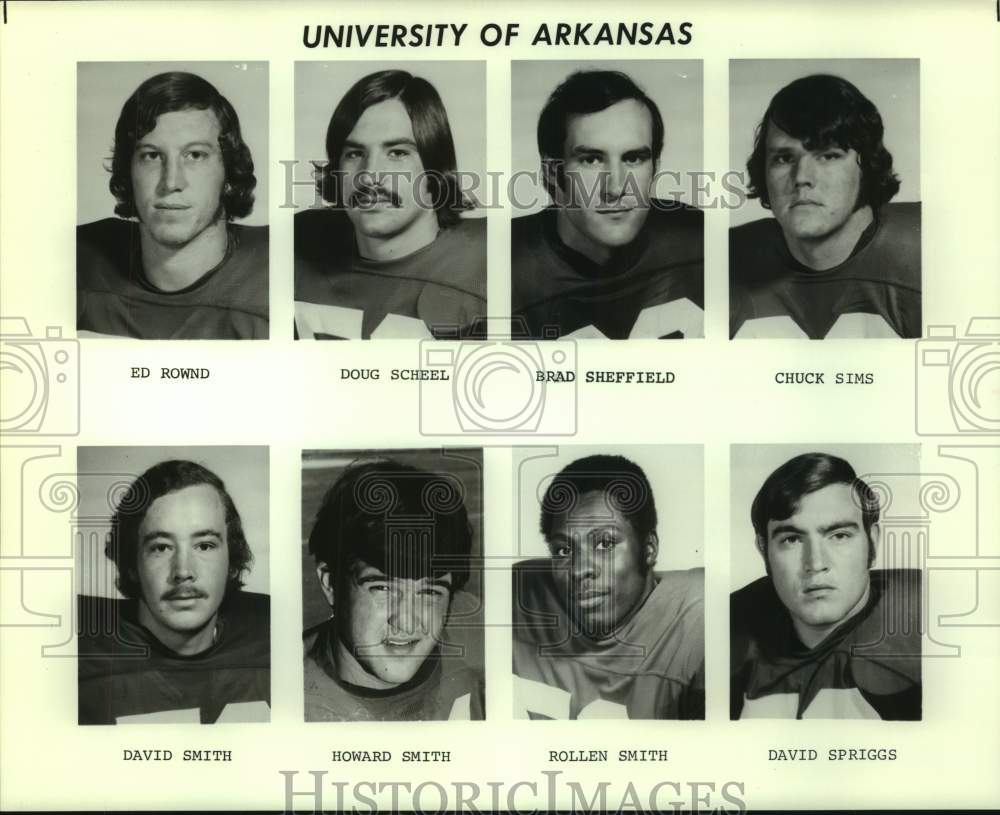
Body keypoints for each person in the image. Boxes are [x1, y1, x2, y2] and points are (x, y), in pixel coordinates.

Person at [511, 70, 704, 339]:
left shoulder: (699, 240)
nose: (615, 188)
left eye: (634, 158)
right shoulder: (500, 264)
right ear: (553, 172)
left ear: (655, 168)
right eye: (591, 160)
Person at [295, 70, 486, 339]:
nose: (370, 174)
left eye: (397, 153)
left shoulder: (488, 267)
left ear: (435, 167)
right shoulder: (297, 243)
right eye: (354, 154)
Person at [77, 71, 268, 339]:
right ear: (128, 172)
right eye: (152, 156)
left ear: (229, 173)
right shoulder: (78, 264)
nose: (171, 182)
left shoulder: (274, 276)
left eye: (195, 155)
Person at [730, 453, 922, 719]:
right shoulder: (728, 631)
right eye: (792, 540)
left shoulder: (925, 624)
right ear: (764, 551)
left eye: (839, 536)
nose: (816, 563)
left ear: (873, 542)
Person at [77, 460, 270, 724]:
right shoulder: (78, 647)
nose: (183, 571)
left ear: (231, 558)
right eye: (160, 548)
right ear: (132, 564)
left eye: (204, 546)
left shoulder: (273, 632)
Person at [513, 454, 704, 719]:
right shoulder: (519, 594)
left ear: (649, 549)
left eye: (605, 544)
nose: (580, 569)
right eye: (564, 549)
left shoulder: (699, 618)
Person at [730, 74, 921, 339]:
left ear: (868, 165)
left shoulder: (928, 252)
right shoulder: (725, 260)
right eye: (784, 158)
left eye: (828, 155)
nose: (801, 177)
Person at [303, 459, 485, 720]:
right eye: (384, 588)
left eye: (429, 592)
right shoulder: (287, 693)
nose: (407, 621)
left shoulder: (486, 638)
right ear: (330, 583)